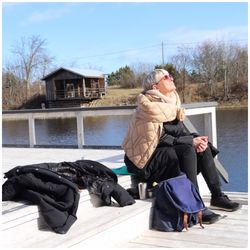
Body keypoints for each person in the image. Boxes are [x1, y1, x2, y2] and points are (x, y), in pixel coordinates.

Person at [122, 68, 240, 223]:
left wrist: (196, 140)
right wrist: (190, 142)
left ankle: (217, 196)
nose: (171, 78)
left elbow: (179, 134)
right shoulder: (146, 108)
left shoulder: (171, 105)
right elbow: (158, 139)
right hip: (144, 160)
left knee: (202, 145)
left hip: (162, 153)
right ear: (155, 87)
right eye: (166, 77)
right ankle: (195, 206)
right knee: (187, 148)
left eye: (170, 76)